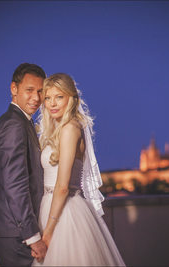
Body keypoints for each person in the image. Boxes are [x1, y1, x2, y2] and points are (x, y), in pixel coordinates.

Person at [32, 73, 125, 266]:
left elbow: (63, 186)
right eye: (48, 98)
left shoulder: (69, 129)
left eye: (59, 97)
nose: (52, 103)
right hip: (52, 207)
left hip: (64, 213)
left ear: (71, 98)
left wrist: (48, 233)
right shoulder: (61, 128)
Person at [0, 63, 48, 266]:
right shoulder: (14, 124)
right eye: (29, 90)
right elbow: (15, 184)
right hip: (18, 234)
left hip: (17, 230)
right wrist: (32, 236)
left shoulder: (22, 122)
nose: (36, 98)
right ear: (14, 89)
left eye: (41, 91)